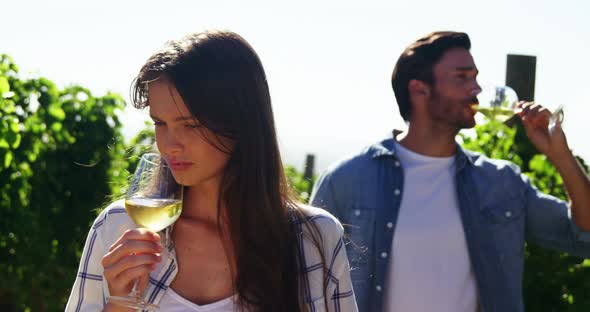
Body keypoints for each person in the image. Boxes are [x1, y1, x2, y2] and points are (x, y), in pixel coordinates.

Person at [66, 30, 357, 312]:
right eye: (160, 123)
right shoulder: (117, 227)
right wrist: (118, 306)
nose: (169, 145)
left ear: (240, 123)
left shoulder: (313, 238)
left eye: (190, 125)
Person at [310, 31, 590, 312]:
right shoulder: (346, 180)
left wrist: (559, 154)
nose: (477, 89)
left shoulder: (500, 182)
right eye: (462, 77)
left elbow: (583, 235)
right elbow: (304, 279)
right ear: (420, 90)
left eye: (476, 77)